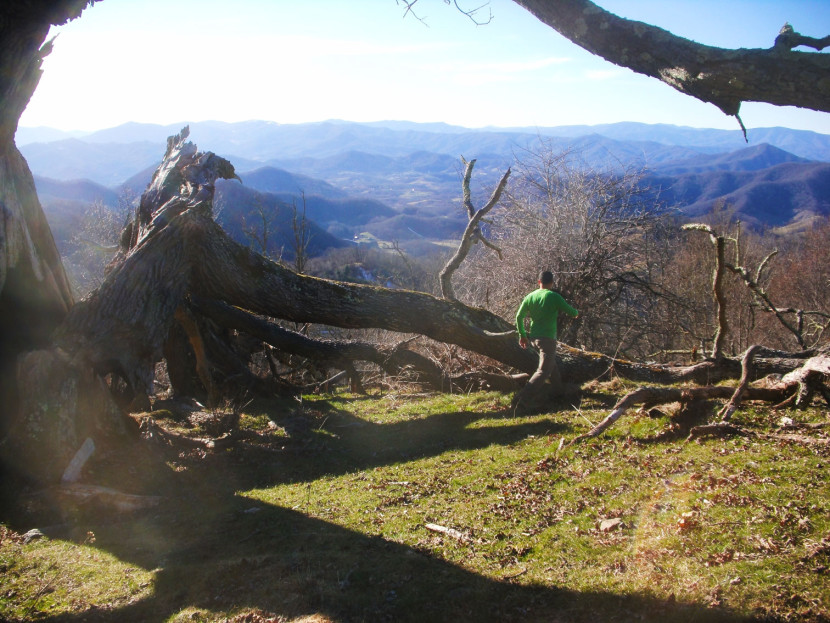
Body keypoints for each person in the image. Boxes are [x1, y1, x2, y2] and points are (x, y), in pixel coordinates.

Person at [510, 270, 578, 413]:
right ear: (552, 283)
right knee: (543, 371)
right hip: (547, 339)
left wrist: (522, 335)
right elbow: (572, 312)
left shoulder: (530, 296)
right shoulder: (553, 296)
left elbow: (518, 317)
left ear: (539, 282)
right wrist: (576, 313)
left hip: (534, 338)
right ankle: (521, 400)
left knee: (552, 367)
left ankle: (559, 395)